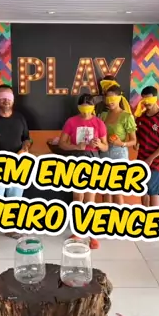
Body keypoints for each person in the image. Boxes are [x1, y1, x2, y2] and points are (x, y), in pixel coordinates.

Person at [0, 84, 32, 259]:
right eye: (2, 97)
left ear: (13, 100)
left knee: (14, 201)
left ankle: (10, 229)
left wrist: (25, 148)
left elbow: (27, 138)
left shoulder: (20, 118)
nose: (6, 101)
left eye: (9, 97)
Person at [59, 94, 109, 249]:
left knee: (90, 199)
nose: (85, 111)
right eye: (83, 107)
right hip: (76, 159)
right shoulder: (71, 122)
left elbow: (106, 147)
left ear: (93, 107)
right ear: (78, 107)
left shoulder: (99, 123)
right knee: (77, 197)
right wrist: (76, 146)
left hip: (93, 160)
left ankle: (92, 235)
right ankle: (78, 231)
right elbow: (62, 143)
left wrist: (99, 144)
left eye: (88, 107)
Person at [99, 84, 137, 204]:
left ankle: (120, 214)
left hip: (119, 155)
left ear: (119, 98)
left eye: (113, 99)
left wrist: (121, 143)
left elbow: (134, 140)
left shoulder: (127, 116)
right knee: (106, 190)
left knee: (117, 190)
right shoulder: (103, 115)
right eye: (108, 99)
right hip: (104, 153)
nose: (110, 102)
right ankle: (106, 214)